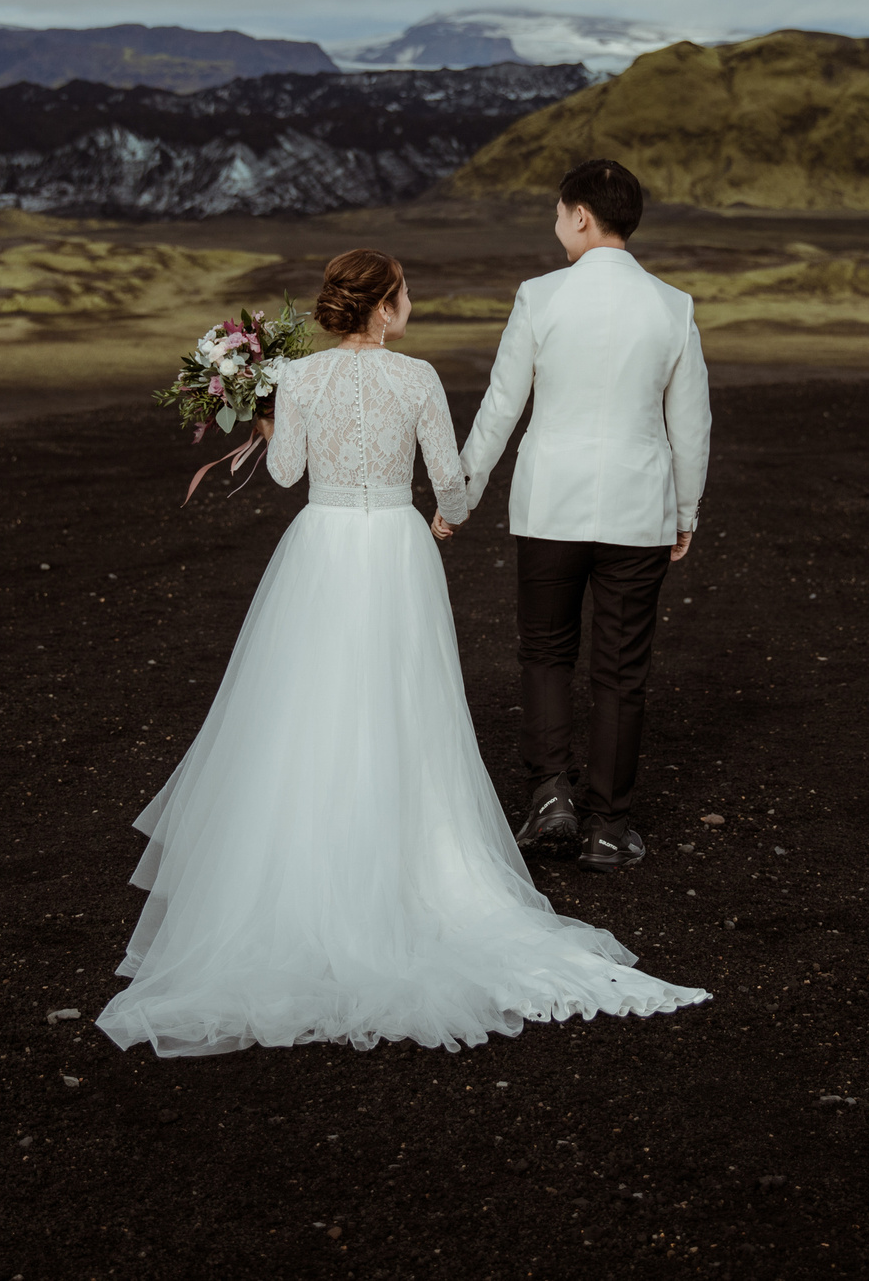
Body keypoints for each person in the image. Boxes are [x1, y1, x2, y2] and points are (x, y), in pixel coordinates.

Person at [95, 247, 708, 1057]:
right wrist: (450, 513)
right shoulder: (417, 378)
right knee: (401, 700)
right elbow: (450, 484)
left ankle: (305, 855)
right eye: (406, 293)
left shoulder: (299, 377)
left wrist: (269, 413)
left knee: (309, 700)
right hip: (393, 545)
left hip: (321, 547)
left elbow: (285, 474)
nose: (411, 304)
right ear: (383, 307)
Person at [449, 160, 711, 875]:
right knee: (622, 670)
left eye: (559, 213)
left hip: (550, 506)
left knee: (545, 653)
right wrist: (685, 508)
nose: (556, 224)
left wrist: (461, 494)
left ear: (582, 217)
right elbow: (691, 424)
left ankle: (549, 798)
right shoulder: (673, 306)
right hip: (639, 508)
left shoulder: (540, 296)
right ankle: (608, 827)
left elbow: (501, 405)